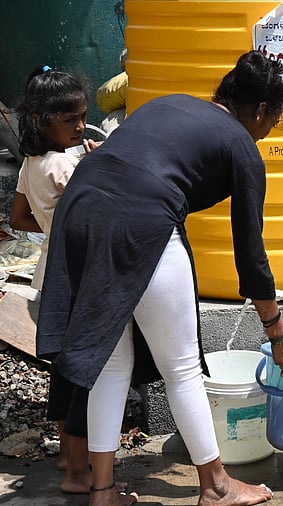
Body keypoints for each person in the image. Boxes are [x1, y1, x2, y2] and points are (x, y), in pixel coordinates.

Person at [36, 50, 283, 506]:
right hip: (141, 221)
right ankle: (217, 486)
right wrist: (277, 330)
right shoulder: (242, 145)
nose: (265, 134)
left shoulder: (168, 103)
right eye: (271, 123)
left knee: (111, 364)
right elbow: (251, 254)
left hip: (80, 210)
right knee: (182, 368)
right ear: (260, 112)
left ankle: (103, 493)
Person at [9, 65, 107, 496]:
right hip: (79, 279)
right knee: (87, 373)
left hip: (49, 277)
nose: (82, 126)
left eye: (83, 116)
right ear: (41, 120)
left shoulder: (31, 163)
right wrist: (98, 167)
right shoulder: (66, 165)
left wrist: (51, 227)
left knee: (67, 372)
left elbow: (17, 217)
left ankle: (70, 455)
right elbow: (97, 212)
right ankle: (76, 472)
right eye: (71, 120)